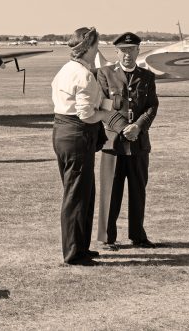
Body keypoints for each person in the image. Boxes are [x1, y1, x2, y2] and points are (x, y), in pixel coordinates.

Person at [51, 27, 124, 266]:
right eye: (97, 46)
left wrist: (107, 103)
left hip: (63, 132)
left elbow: (78, 101)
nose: (98, 50)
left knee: (83, 192)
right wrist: (105, 115)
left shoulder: (67, 70)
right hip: (76, 135)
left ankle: (80, 246)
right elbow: (85, 114)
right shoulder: (83, 74)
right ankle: (74, 253)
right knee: (76, 195)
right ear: (89, 48)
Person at [96, 32, 159, 251]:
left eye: (131, 50)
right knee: (110, 192)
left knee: (138, 191)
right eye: (123, 50)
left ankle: (138, 235)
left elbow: (152, 106)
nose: (127, 55)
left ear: (138, 51)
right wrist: (125, 128)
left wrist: (138, 127)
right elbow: (102, 106)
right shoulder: (104, 74)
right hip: (113, 144)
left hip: (139, 144)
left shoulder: (147, 77)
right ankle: (107, 238)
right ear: (117, 52)